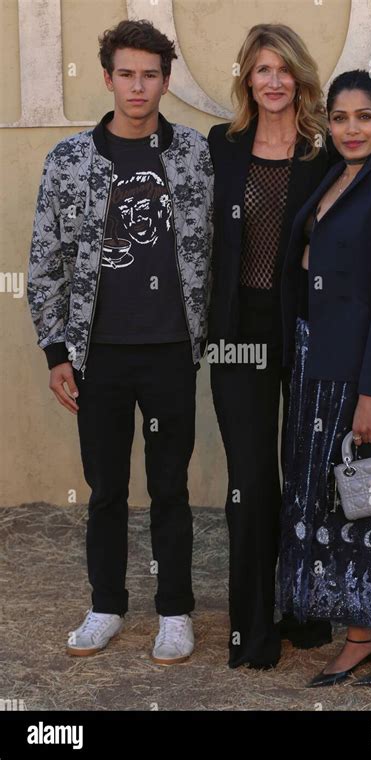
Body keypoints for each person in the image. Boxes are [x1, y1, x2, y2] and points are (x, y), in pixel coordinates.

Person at [27, 19, 213, 664]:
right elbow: (46, 261)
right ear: (107, 78)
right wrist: (57, 353)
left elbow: (222, 244)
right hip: (97, 355)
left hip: (169, 351)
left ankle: (174, 611)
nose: (139, 86)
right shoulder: (70, 161)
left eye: (151, 74)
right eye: (127, 74)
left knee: (170, 486)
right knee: (105, 487)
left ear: (166, 80)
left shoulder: (193, 155)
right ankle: (106, 604)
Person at [279, 70, 371, 686]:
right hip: (317, 361)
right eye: (340, 118)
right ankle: (361, 632)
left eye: (364, 116)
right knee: (334, 501)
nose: (351, 129)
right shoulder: (331, 178)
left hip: (369, 369)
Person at [207, 23, 335, 669]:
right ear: (248, 79)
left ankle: (305, 613)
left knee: (307, 475)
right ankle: (252, 629)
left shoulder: (326, 149)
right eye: (262, 69)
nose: (275, 80)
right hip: (236, 333)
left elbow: (368, 214)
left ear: (299, 76)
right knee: (252, 480)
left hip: (306, 327)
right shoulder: (222, 148)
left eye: (284, 68)